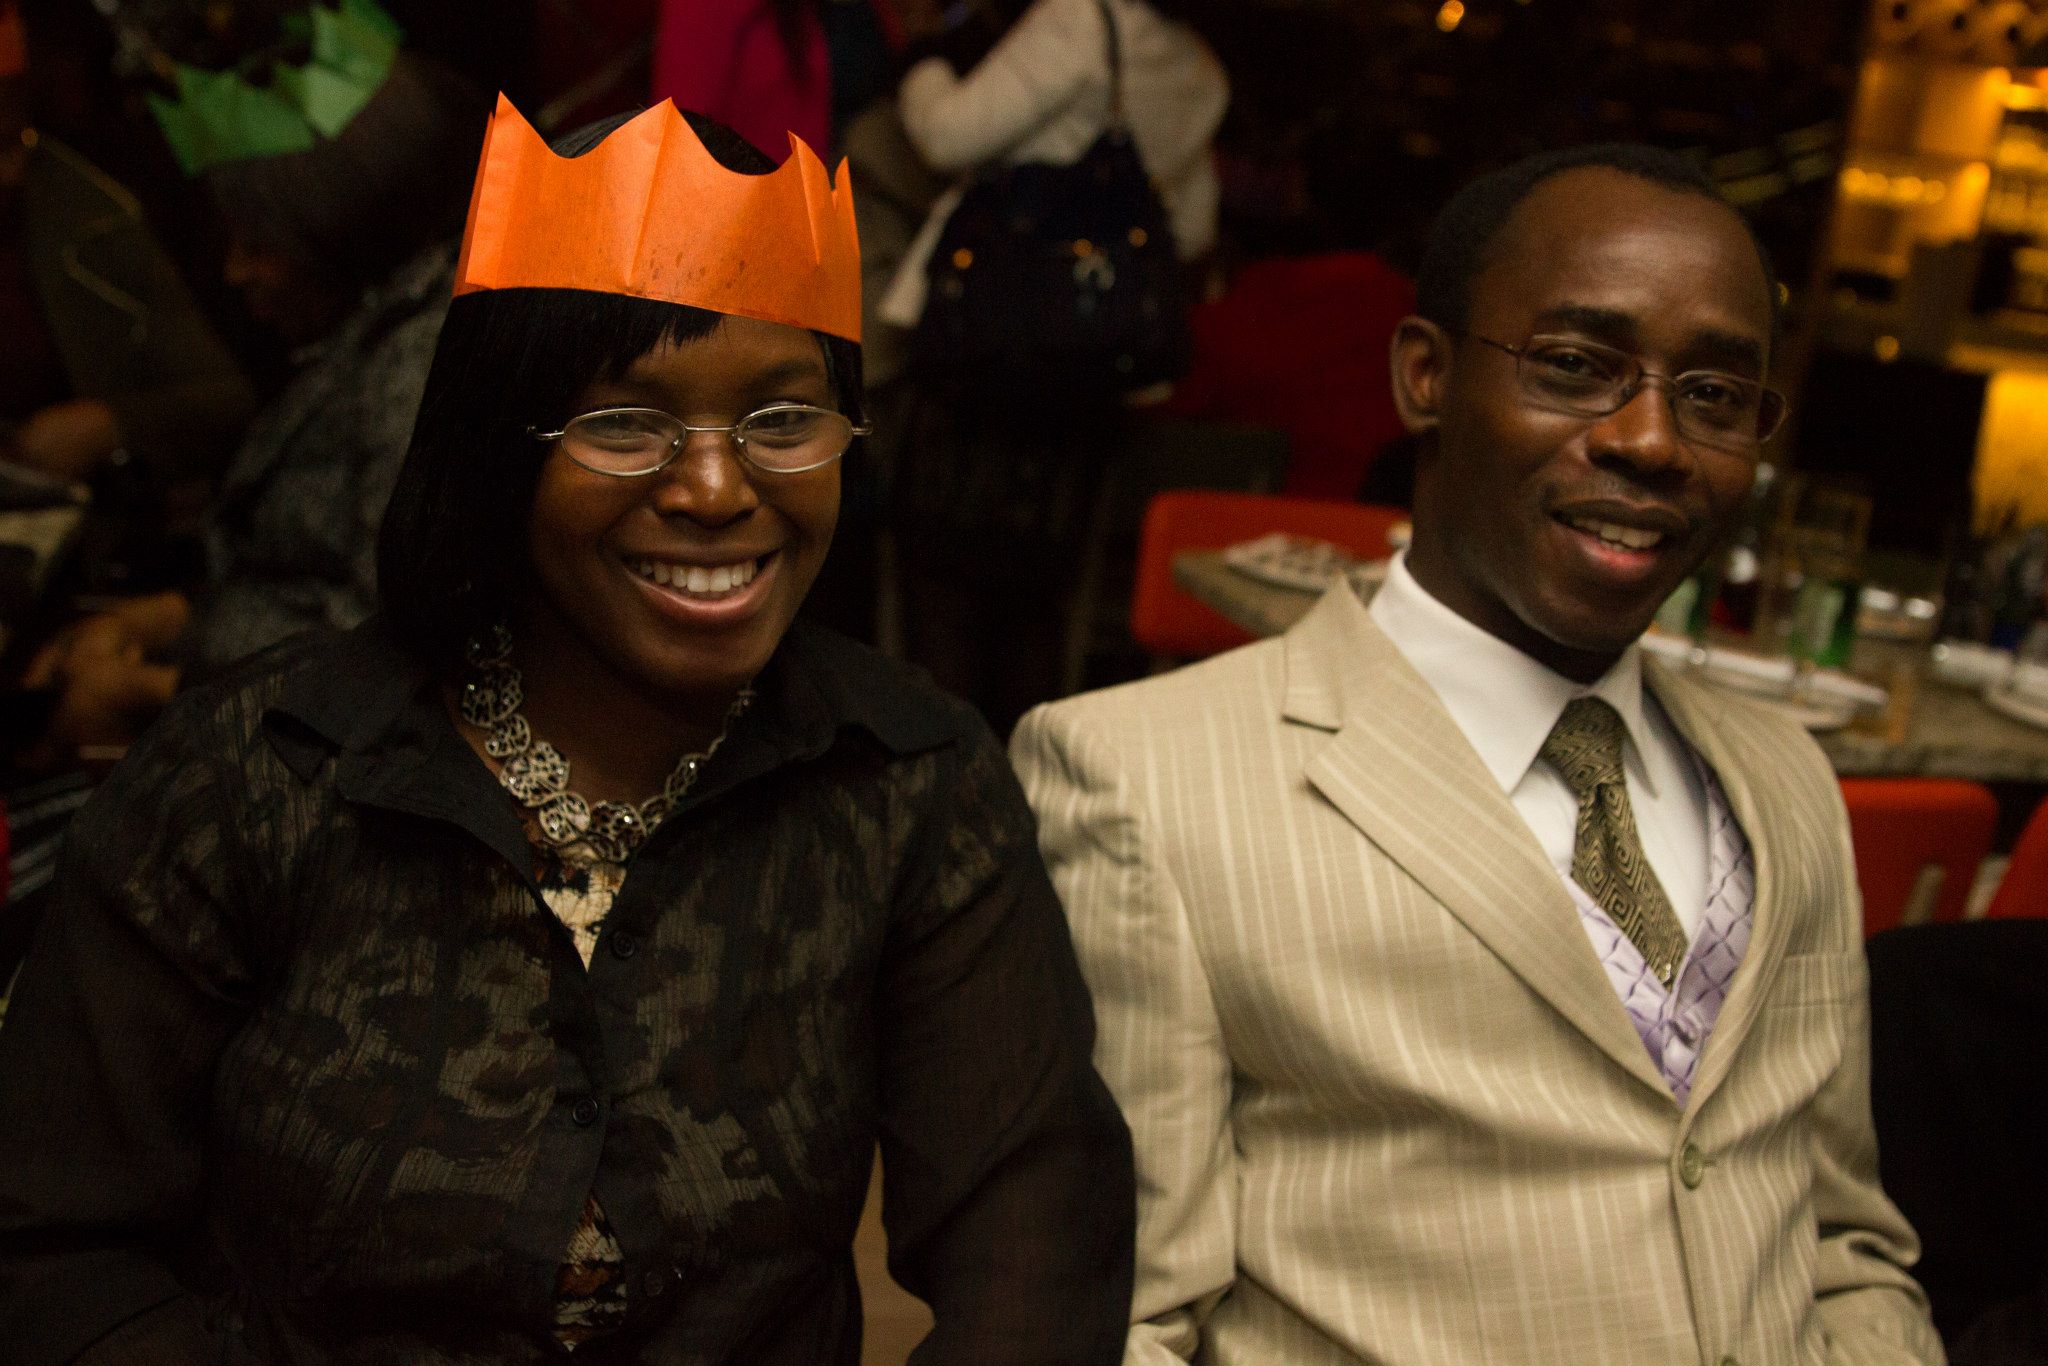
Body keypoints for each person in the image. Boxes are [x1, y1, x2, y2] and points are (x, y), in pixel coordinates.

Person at [0, 95, 1132, 1364]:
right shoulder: (252, 776)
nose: (716, 487)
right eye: (626, 424)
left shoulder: (907, 779)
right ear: (503, 449)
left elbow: (1034, 1255)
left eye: (780, 420)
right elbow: (55, 1247)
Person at [1012, 144, 1943, 1365]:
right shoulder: (1146, 784)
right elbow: (1125, 1323)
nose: (1651, 440)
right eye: (1574, 366)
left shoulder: (1786, 780)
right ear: (1426, 376)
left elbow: (1840, 1241)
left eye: (1714, 394)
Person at [20, 48, 483, 756]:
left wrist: (146, 694)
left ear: (337, 236)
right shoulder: (365, 330)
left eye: (260, 244)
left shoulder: (413, 375)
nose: (236, 271)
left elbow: (387, 660)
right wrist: (154, 623)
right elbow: (280, 578)